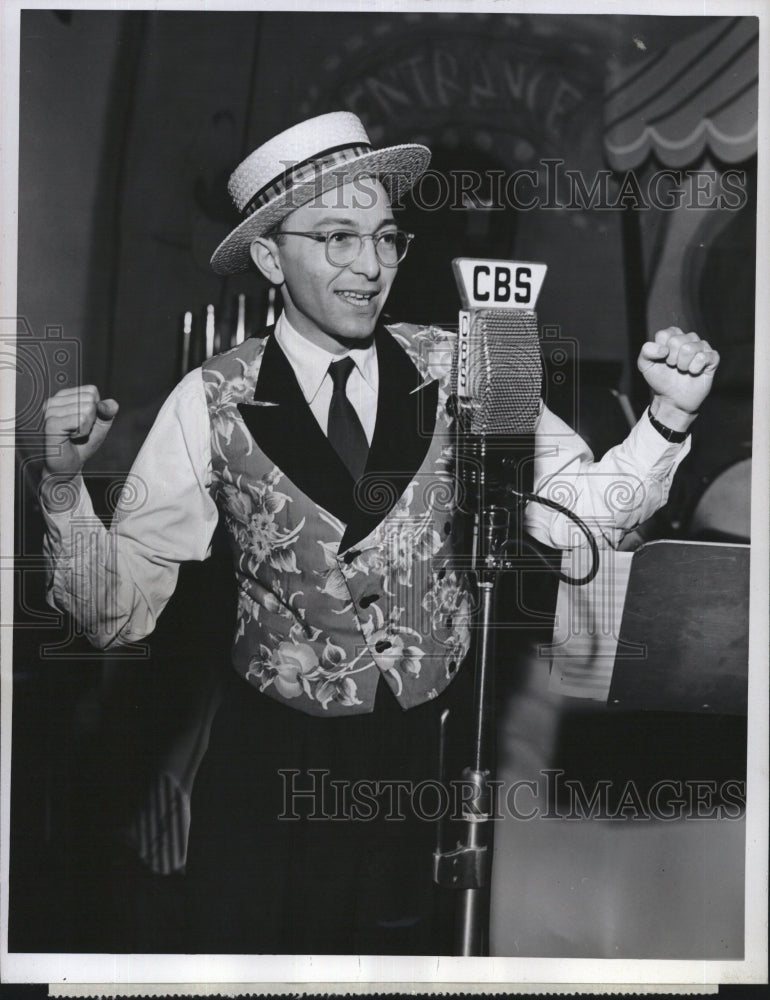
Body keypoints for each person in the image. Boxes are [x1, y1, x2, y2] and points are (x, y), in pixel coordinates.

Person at [40, 111, 719, 954]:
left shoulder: (472, 361)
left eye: (385, 237)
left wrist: (667, 420)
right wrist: (65, 488)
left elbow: (575, 519)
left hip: (420, 766)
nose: (369, 266)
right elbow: (118, 612)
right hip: (267, 772)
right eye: (335, 237)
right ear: (267, 257)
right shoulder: (208, 399)